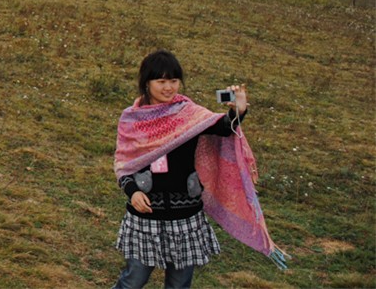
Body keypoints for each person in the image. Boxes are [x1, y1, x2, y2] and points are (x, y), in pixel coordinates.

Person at [112, 50, 286, 288]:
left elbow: (223, 128)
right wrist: (132, 192)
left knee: (179, 285)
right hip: (145, 218)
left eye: (173, 81)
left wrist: (238, 111)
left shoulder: (188, 113)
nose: (168, 87)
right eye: (161, 81)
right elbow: (124, 165)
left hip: (186, 217)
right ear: (146, 82)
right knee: (132, 282)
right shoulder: (132, 120)